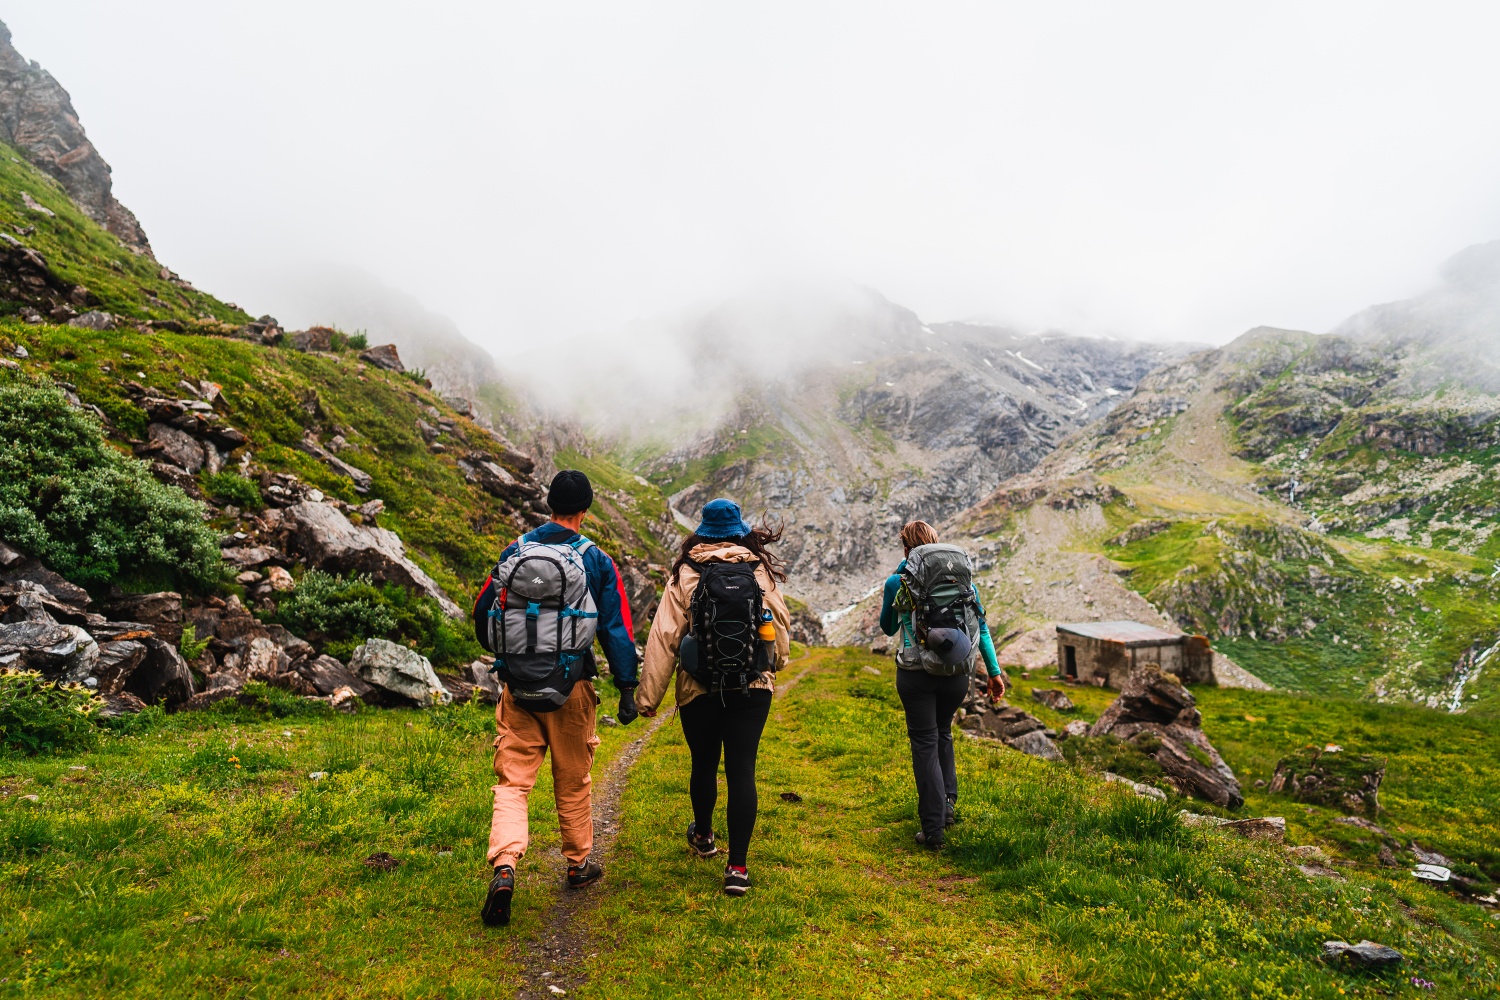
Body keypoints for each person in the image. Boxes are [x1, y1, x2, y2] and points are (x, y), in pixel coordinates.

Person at [472, 470, 641, 927]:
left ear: (548, 504)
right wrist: (627, 687)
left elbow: (482, 615)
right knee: (573, 780)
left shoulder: (517, 551)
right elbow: (615, 627)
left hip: (518, 688)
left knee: (513, 783)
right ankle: (578, 864)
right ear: (585, 509)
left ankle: (505, 865)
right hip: (572, 688)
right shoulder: (596, 559)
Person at [636, 498, 791, 896]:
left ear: (701, 532)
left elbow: (664, 638)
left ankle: (703, 836)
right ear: (741, 531)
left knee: (703, 763)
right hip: (752, 685)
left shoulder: (685, 573)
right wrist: (777, 664)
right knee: (742, 769)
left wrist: (648, 697)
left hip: (698, 687)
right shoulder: (758, 571)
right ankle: (737, 868)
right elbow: (781, 632)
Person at [878, 519, 1006, 850]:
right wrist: (994, 672)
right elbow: (982, 628)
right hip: (957, 673)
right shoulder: (965, 582)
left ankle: (932, 830)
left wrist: (899, 583)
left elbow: (888, 628)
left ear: (907, 549)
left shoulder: (898, 581)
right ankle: (947, 808)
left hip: (916, 674)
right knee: (944, 733)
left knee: (924, 742)